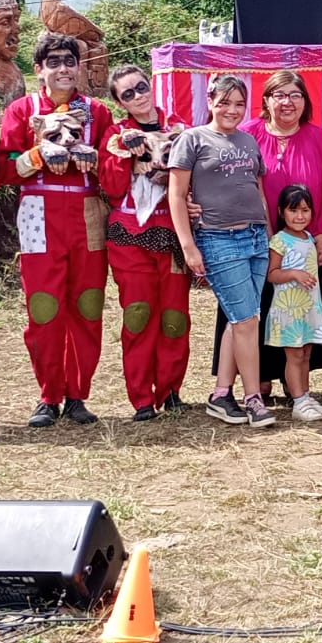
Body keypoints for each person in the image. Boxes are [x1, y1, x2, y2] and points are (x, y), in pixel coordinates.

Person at [0, 31, 114, 428]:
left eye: (70, 61)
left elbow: (115, 168)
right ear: (39, 69)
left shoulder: (98, 112)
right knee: (44, 308)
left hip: (87, 212)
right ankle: (48, 395)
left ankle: (78, 395)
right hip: (38, 212)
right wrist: (35, 155)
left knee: (87, 306)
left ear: (79, 67)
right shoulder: (21, 110)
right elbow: (2, 168)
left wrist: (97, 159)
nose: (63, 68)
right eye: (54, 62)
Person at [210, 70, 322, 404]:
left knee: (295, 308)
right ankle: (259, 377)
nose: (287, 102)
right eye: (279, 95)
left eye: (295, 95)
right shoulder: (246, 134)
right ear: (266, 100)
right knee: (255, 308)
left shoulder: (319, 137)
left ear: (305, 101)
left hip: (304, 245)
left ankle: (292, 378)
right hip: (252, 241)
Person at [168, 75, 275, 428]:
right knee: (246, 321)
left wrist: (269, 235)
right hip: (218, 238)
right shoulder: (192, 139)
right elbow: (176, 195)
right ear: (211, 102)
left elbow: (258, 189)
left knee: (242, 316)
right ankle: (254, 398)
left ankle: (220, 394)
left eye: (239, 103)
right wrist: (188, 246)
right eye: (224, 102)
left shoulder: (248, 140)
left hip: (256, 238)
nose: (232, 110)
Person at [97, 64, 190, 422]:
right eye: (128, 94)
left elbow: (198, 174)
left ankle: (171, 390)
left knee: (174, 316)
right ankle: (141, 397)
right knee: (138, 314)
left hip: (173, 234)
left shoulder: (179, 126)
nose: (138, 96)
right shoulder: (116, 134)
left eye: (141, 87)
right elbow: (111, 186)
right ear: (120, 102)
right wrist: (128, 156)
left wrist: (176, 179)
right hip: (130, 237)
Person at [266, 184, 322, 422]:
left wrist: (321, 258)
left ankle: (305, 395)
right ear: (281, 211)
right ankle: (298, 401)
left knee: (305, 355)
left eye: (305, 210)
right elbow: (272, 274)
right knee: (294, 356)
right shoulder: (279, 240)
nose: (300, 216)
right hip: (289, 310)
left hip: (309, 308)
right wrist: (294, 274)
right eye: (293, 210)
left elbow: (310, 265)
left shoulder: (309, 238)